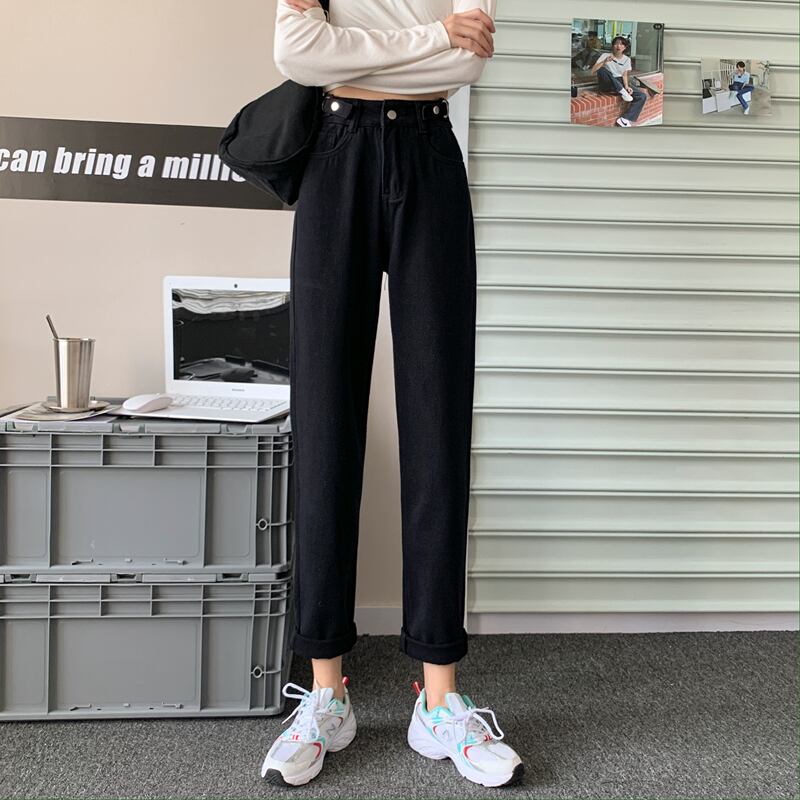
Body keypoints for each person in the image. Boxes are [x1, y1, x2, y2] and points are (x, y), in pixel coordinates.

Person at [259, 0, 525, 790]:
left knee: (437, 430)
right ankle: (326, 694)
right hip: (334, 156)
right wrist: (432, 36)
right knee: (324, 429)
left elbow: (466, 64)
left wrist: (357, 50)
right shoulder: (430, 22)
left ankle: (439, 700)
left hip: (430, 155)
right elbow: (298, 55)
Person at [590, 35, 647, 127]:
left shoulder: (627, 59)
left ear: (625, 47)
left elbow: (624, 75)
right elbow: (593, 71)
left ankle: (624, 119)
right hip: (608, 84)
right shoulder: (605, 56)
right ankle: (622, 91)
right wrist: (604, 62)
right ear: (613, 45)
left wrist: (627, 86)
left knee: (642, 96)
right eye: (616, 44)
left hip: (620, 83)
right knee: (602, 70)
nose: (618, 46)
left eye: (621, 44)